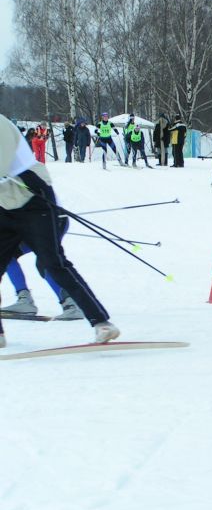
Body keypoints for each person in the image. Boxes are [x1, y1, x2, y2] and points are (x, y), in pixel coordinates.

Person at [0, 117, 120, 348]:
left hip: (33, 200)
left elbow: (2, 165)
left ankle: (101, 323)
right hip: (5, 205)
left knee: (53, 263)